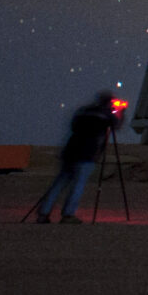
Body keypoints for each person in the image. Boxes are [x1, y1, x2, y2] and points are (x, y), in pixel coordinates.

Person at [32, 95, 122, 224]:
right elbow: (117, 125)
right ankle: (68, 214)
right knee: (78, 185)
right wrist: (119, 112)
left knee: (59, 184)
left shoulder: (83, 111)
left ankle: (43, 213)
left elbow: (73, 126)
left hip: (71, 150)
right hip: (87, 153)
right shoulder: (105, 115)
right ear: (108, 103)